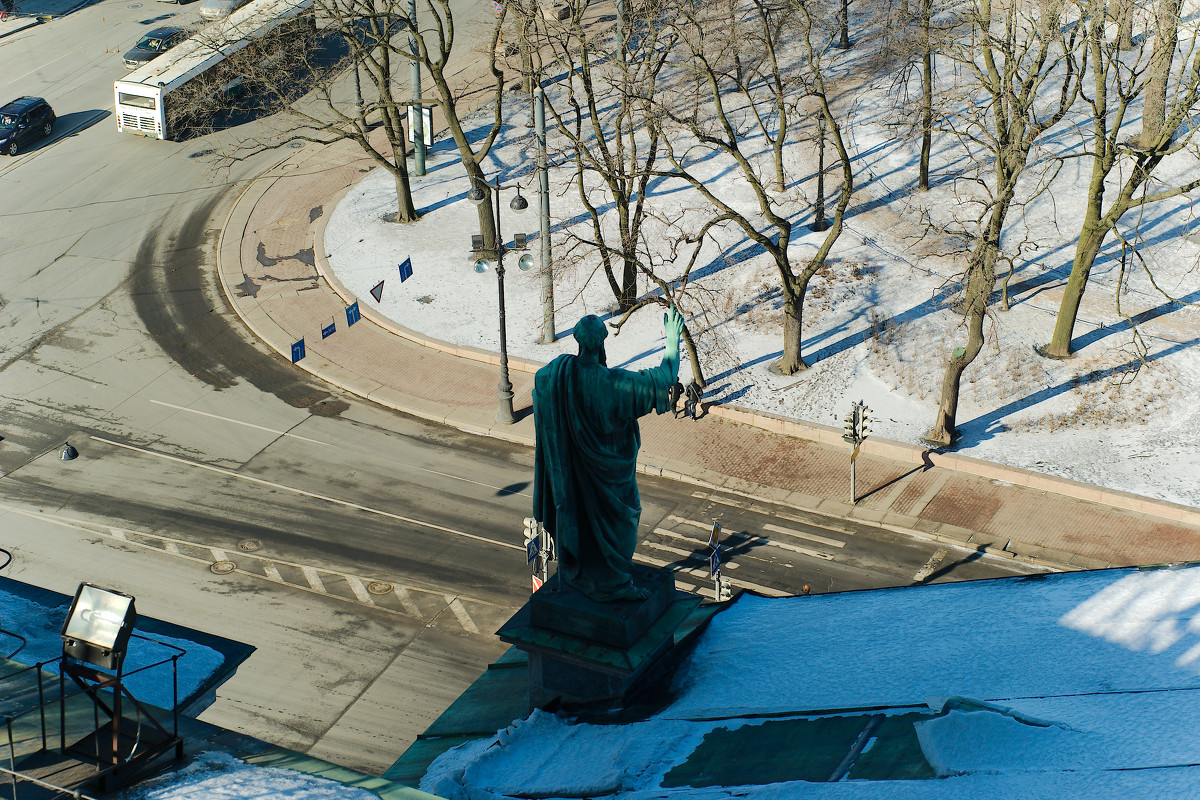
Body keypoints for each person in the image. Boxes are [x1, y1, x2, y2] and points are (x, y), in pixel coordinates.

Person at [532, 307, 684, 603]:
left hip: (575, 482)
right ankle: (614, 584)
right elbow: (666, 377)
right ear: (601, 344)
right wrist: (672, 339)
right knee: (621, 523)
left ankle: (584, 578)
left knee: (583, 524)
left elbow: (541, 381)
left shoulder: (559, 375)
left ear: (578, 342)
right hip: (614, 483)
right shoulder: (616, 385)